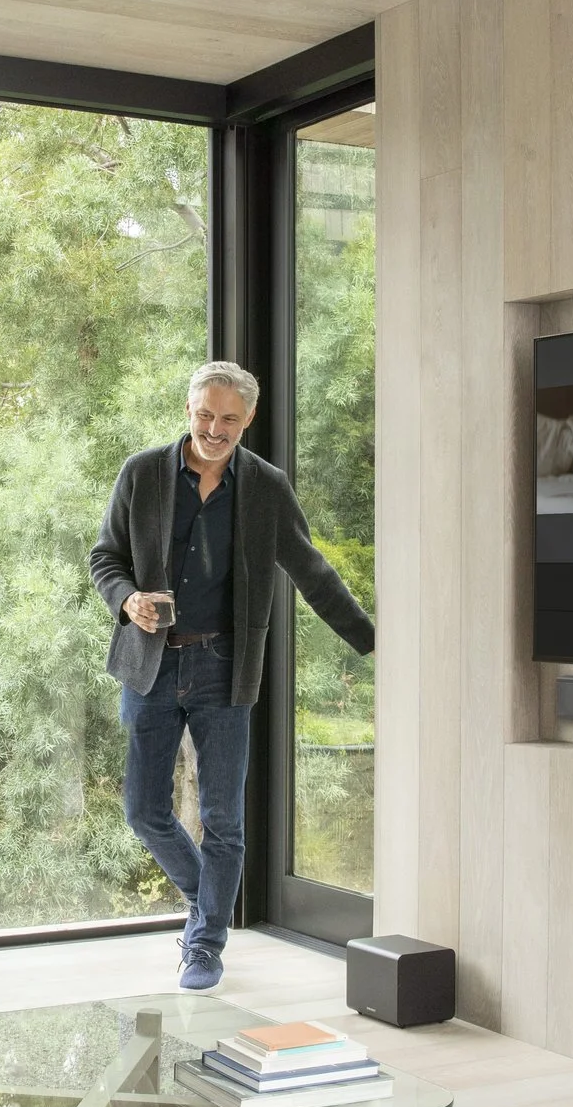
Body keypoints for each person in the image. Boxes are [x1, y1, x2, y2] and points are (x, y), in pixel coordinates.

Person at [89, 361, 374, 992]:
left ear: (249, 419)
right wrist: (128, 600)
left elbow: (311, 570)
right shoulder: (142, 473)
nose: (215, 430)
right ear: (188, 410)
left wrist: (373, 641)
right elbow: (105, 556)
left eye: (229, 419)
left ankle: (205, 944)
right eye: (205, 415)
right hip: (150, 664)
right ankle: (208, 900)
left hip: (225, 667)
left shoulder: (266, 487)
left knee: (223, 818)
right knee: (144, 812)